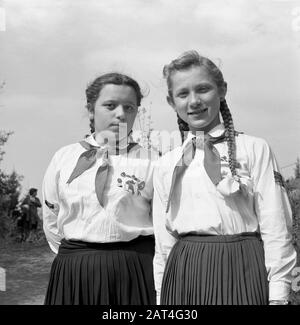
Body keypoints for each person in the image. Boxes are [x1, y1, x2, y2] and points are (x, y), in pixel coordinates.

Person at [153, 50, 297, 305]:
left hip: (243, 268)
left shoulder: (254, 148)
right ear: (171, 101)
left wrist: (279, 294)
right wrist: (161, 295)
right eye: (183, 93)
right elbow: (164, 242)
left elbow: (276, 225)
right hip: (185, 272)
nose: (194, 101)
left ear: (222, 90)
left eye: (203, 89)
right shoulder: (166, 164)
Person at [42, 73, 157, 305]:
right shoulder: (64, 158)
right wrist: (78, 257)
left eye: (129, 107)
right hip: (75, 271)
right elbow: (51, 217)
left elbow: (163, 221)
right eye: (110, 105)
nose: (121, 114)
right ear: (91, 110)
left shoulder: (152, 161)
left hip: (134, 270)